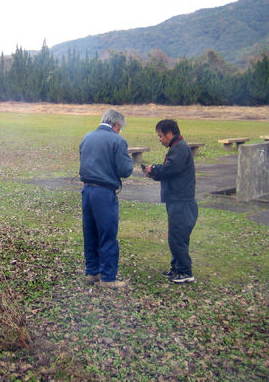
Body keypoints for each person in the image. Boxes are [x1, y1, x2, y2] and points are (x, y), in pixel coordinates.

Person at [79, 109, 134, 288]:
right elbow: (125, 170)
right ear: (116, 125)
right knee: (107, 235)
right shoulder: (118, 141)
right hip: (104, 192)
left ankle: (92, 272)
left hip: (87, 190)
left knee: (90, 233)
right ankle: (108, 278)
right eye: (120, 128)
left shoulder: (87, 137)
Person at [142, 119, 197, 284]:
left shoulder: (180, 149)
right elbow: (170, 173)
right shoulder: (176, 147)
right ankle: (176, 268)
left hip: (182, 202)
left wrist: (154, 169)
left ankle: (185, 271)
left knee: (178, 237)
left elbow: (170, 169)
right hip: (176, 200)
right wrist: (153, 173)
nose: (160, 139)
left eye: (160, 136)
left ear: (170, 133)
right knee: (175, 236)